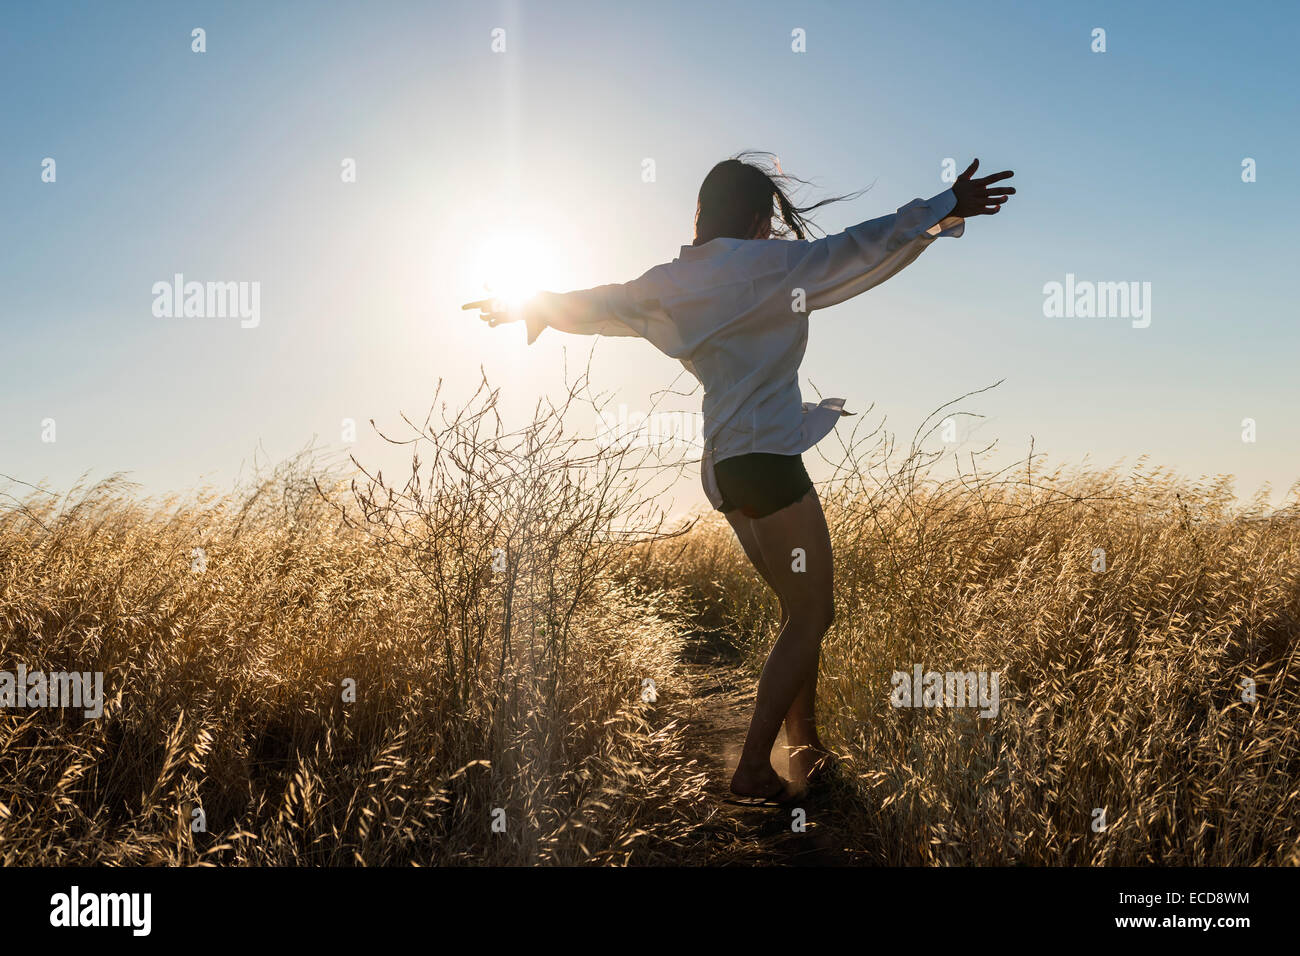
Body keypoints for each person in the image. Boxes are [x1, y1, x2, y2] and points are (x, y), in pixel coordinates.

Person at [465, 153, 1015, 804]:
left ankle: (804, 754)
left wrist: (527, 304)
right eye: (769, 223)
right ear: (758, 219)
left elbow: (602, 303)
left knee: (798, 612)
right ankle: (755, 767)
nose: (773, 234)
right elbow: (864, 246)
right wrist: (944, 205)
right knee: (814, 614)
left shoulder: (673, 281)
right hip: (769, 463)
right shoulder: (772, 267)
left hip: (725, 470)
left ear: (701, 214)